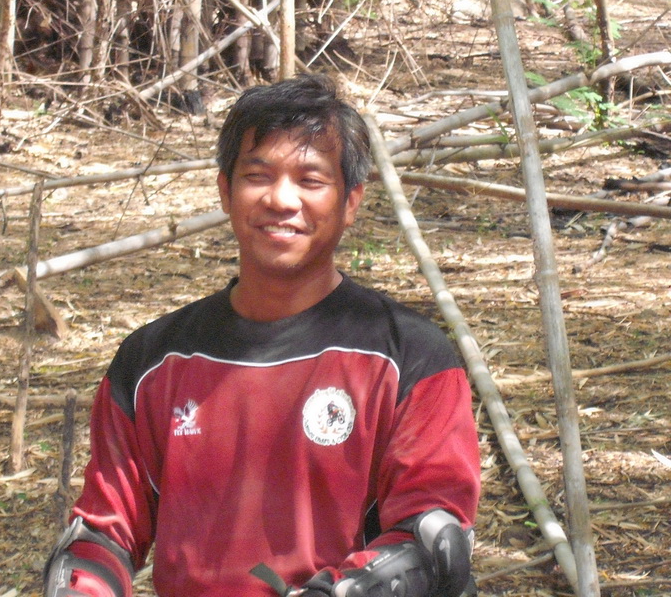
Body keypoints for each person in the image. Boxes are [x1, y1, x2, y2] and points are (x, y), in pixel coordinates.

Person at [43, 74, 481, 597]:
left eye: (311, 180)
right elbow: (102, 534)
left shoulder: (410, 357)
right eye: (258, 175)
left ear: (351, 201)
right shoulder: (152, 362)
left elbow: (433, 538)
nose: (281, 199)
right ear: (225, 191)